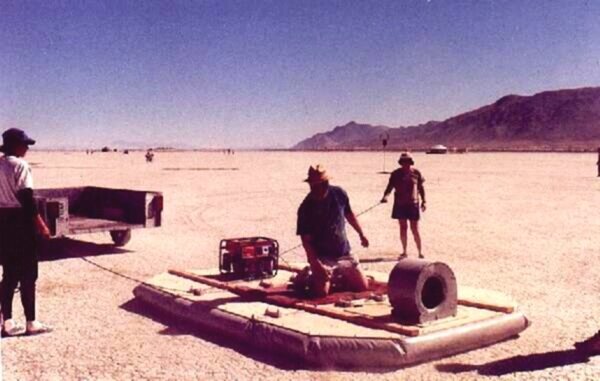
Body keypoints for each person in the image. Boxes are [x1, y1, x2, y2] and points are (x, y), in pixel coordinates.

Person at [0, 128, 51, 336]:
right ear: (16, 145)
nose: (27, 148)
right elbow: (27, 199)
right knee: (29, 274)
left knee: (9, 274)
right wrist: (41, 225)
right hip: (20, 222)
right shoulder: (20, 165)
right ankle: (31, 322)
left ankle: (8, 322)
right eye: (25, 144)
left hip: (2, 220)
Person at [296, 165, 370, 298]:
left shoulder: (339, 193)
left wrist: (361, 234)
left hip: (344, 252)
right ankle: (308, 276)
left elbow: (349, 214)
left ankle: (339, 276)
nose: (315, 189)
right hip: (323, 257)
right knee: (321, 293)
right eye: (312, 186)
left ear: (325, 183)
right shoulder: (305, 208)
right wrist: (316, 264)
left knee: (363, 287)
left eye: (318, 185)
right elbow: (306, 241)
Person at [380, 152, 426, 259]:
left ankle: (420, 251)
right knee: (403, 227)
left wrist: (424, 201)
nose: (406, 164)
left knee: (415, 228)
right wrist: (385, 196)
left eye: (408, 162)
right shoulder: (395, 174)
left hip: (413, 204)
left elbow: (421, 188)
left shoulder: (416, 173)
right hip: (400, 204)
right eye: (404, 162)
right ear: (401, 163)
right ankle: (404, 251)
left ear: (411, 162)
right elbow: (389, 187)